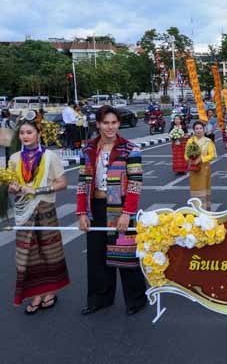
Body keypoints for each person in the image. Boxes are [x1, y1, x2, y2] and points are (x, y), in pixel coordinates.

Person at [77, 105, 146, 316]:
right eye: (105, 123)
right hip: (95, 207)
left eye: (114, 122)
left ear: (119, 124)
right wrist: (81, 213)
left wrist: (127, 213)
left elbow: (135, 184)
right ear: (98, 124)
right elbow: (82, 183)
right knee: (96, 256)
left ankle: (136, 300)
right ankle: (100, 299)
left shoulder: (130, 149)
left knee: (125, 253)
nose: (110, 127)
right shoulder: (87, 149)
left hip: (121, 206)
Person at [7, 115, 69, 314]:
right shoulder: (15, 158)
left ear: (38, 134)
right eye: (22, 133)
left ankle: (50, 292)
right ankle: (35, 294)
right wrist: (13, 188)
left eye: (29, 132)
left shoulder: (50, 157)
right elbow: (10, 185)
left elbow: (62, 183)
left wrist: (38, 190)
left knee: (49, 253)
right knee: (28, 255)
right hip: (24, 212)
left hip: (45, 210)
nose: (25, 136)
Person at [186, 120, 216, 210]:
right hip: (193, 168)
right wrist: (190, 159)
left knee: (204, 188)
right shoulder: (190, 141)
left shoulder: (208, 141)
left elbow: (212, 155)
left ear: (204, 130)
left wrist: (201, 159)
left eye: (200, 128)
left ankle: (205, 208)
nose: (198, 130)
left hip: (204, 168)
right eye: (196, 129)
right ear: (194, 130)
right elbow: (186, 154)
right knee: (195, 188)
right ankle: (196, 208)